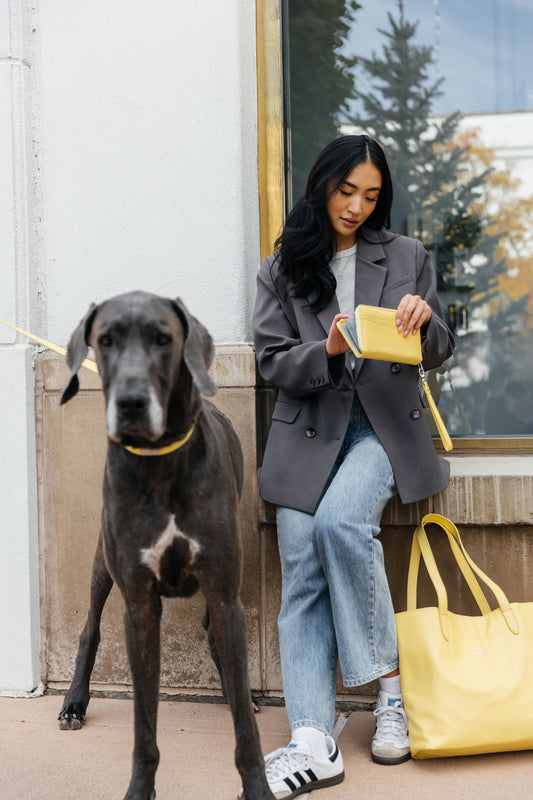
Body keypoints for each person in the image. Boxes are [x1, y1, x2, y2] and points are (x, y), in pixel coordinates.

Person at [252, 135, 454, 798]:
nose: (356, 207)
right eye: (346, 192)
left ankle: (390, 695)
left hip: (381, 431)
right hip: (307, 436)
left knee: (341, 523)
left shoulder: (406, 255)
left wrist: (425, 321)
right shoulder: (281, 268)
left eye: (370, 195)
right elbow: (271, 361)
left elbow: (440, 349)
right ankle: (313, 739)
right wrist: (329, 348)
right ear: (322, 186)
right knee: (302, 574)